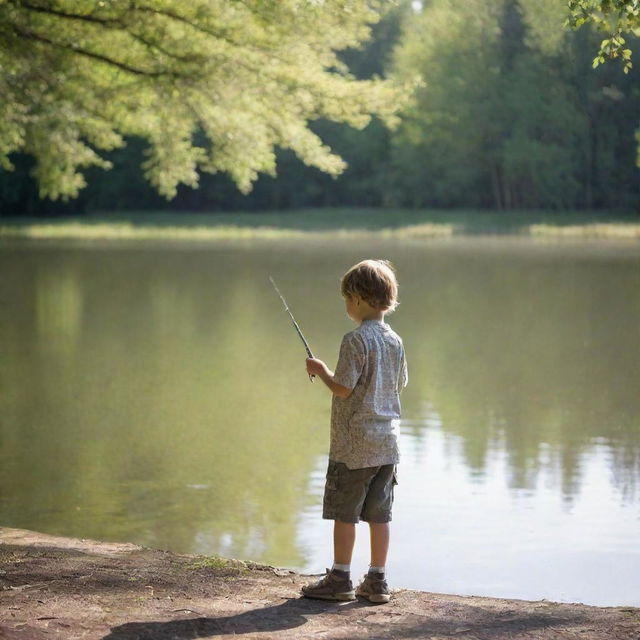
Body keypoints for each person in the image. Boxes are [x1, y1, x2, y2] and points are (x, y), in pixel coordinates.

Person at [301, 259, 408, 604]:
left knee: (344, 514)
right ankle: (377, 581)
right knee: (380, 515)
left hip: (354, 447)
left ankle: (340, 577)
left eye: (347, 298)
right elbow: (401, 383)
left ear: (360, 298)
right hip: (387, 445)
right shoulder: (395, 341)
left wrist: (320, 370)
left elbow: (344, 388)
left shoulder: (355, 340)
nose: (346, 306)